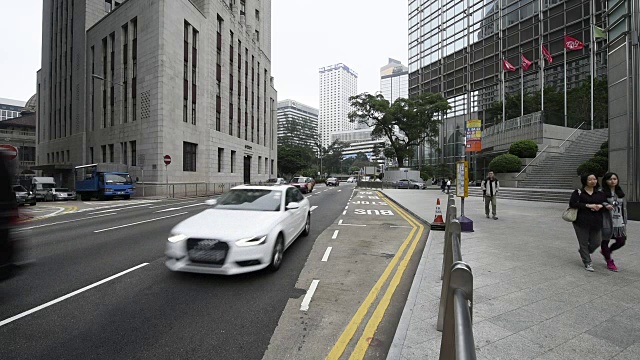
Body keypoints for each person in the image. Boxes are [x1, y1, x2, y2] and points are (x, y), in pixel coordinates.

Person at [569, 173, 607, 272]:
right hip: (581, 221)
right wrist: (588, 206)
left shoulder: (600, 193)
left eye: (594, 179)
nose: (593, 181)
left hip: (596, 221)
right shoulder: (578, 192)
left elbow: (605, 203)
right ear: (585, 181)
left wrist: (600, 206)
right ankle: (587, 262)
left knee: (596, 242)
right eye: (590, 180)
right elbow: (573, 204)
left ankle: (583, 252)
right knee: (583, 242)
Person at [600, 172, 628, 272]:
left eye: (615, 179)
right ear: (606, 181)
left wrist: (625, 221)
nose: (613, 181)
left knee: (621, 241)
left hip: (619, 221)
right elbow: (598, 202)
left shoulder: (620, 192)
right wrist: (605, 205)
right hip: (606, 221)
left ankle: (607, 252)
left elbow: (624, 207)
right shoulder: (602, 192)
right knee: (605, 241)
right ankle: (609, 260)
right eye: (610, 179)